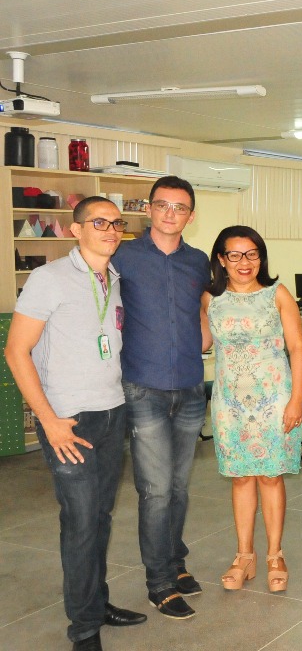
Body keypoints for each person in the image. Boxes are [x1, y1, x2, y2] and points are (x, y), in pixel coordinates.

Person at [4, 196, 148, 651]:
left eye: (117, 223)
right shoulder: (48, 279)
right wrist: (48, 420)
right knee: (82, 522)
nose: (111, 230)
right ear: (76, 230)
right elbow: (16, 352)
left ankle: (95, 603)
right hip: (69, 420)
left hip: (111, 411)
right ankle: (84, 629)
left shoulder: (113, 278)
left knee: (99, 517)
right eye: (99, 222)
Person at [112, 176, 209, 620]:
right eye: (163, 205)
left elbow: (206, 308)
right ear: (148, 209)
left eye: (180, 207)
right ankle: (159, 583)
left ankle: (174, 560)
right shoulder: (123, 256)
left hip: (190, 386)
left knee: (178, 488)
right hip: (143, 387)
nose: (171, 213)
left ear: (191, 215)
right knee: (155, 491)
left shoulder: (198, 261)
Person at [202, 225, 302, 594]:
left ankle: (275, 555)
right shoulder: (209, 298)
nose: (243, 262)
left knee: (270, 476)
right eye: (234, 255)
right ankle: (244, 555)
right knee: (240, 477)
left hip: (273, 399)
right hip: (229, 402)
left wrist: (296, 399)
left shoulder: (277, 294)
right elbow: (202, 342)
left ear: (261, 257)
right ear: (221, 259)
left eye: (252, 254)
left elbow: (297, 348)